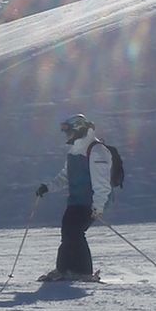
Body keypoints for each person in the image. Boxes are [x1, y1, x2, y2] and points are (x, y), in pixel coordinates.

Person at [36, 114, 113, 280]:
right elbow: (66, 175)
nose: (67, 135)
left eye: (69, 131)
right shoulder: (74, 150)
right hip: (76, 200)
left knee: (75, 231)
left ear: (78, 130)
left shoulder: (97, 150)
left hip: (91, 201)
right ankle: (64, 270)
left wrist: (98, 206)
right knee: (68, 232)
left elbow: (102, 183)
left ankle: (83, 272)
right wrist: (48, 187)